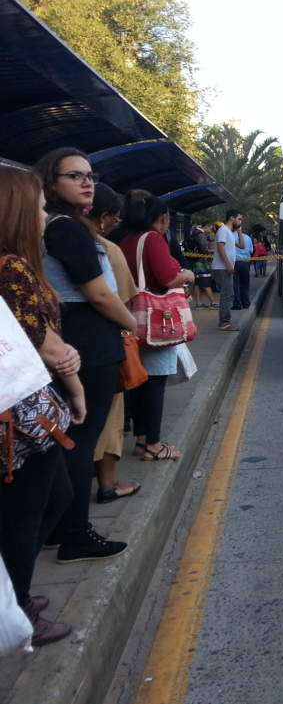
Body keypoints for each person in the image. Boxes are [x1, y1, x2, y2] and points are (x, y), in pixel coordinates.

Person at [36, 148, 135, 564]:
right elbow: (98, 292)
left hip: (75, 339)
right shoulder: (67, 230)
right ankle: (75, 533)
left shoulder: (57, 227)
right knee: (80, 440)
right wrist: (132, 321)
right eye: (74, 176)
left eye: (89, 175)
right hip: (88, 343)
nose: (87, 182)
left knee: (70, 439)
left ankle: (59, 525)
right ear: (51, 184)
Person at [0, 165, 83, 646]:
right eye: (39, 205)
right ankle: (19, 607)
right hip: (22, 414)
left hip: (26, 409)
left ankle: (17, 594)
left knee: (43, 502)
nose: (44, 213)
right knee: (31, 508)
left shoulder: (15, 263)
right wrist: (75, 385)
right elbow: (42, 340)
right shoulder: (10, 267)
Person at [121, 196, 194, 463]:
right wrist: (188, 276)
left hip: (133, 317)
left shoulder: (128, 239)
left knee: (141, 382)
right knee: (155, 383)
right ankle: (153, 443)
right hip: (156, 321)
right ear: (163, 217)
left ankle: (141, 440)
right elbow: (167, 276)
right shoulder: (152, 239)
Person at [85, 183, 141, 503]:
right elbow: (124, 300)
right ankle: (107, 483)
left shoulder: (44, 244)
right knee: (108, 418)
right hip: (105, 348)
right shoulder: (107, 250)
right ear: (105, 217)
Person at [211, 209, 242, 331]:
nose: (240, 221)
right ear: (232, 218)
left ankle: (224, 321)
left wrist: (240, 232)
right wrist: (229, 265)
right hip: (222, 268)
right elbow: (220, 248)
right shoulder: (223, 230)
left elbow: (242, 246)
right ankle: (224, 323)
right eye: (239, 219)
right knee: (227, 295)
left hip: (224, 268)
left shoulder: (228, 231)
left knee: (228, 294)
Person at [188, 223, 217, 308]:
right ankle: (213, 302)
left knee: (197, 283)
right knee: (205, 281)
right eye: (210, 228)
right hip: (202, 262)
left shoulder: (194, 233)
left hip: (195, 261)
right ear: (206, 226)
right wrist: (213, 251)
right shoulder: (201, 235)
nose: (210, 230)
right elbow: (205, 249)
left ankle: (198, 303)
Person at [232, 225, 253, 310]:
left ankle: (237, 304)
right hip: (245, 262)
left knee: (235, 284)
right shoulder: (248, 237)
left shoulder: (231, 236)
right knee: (245, 284)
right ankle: (246, 303)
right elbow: (251, 250)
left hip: (235, 262)